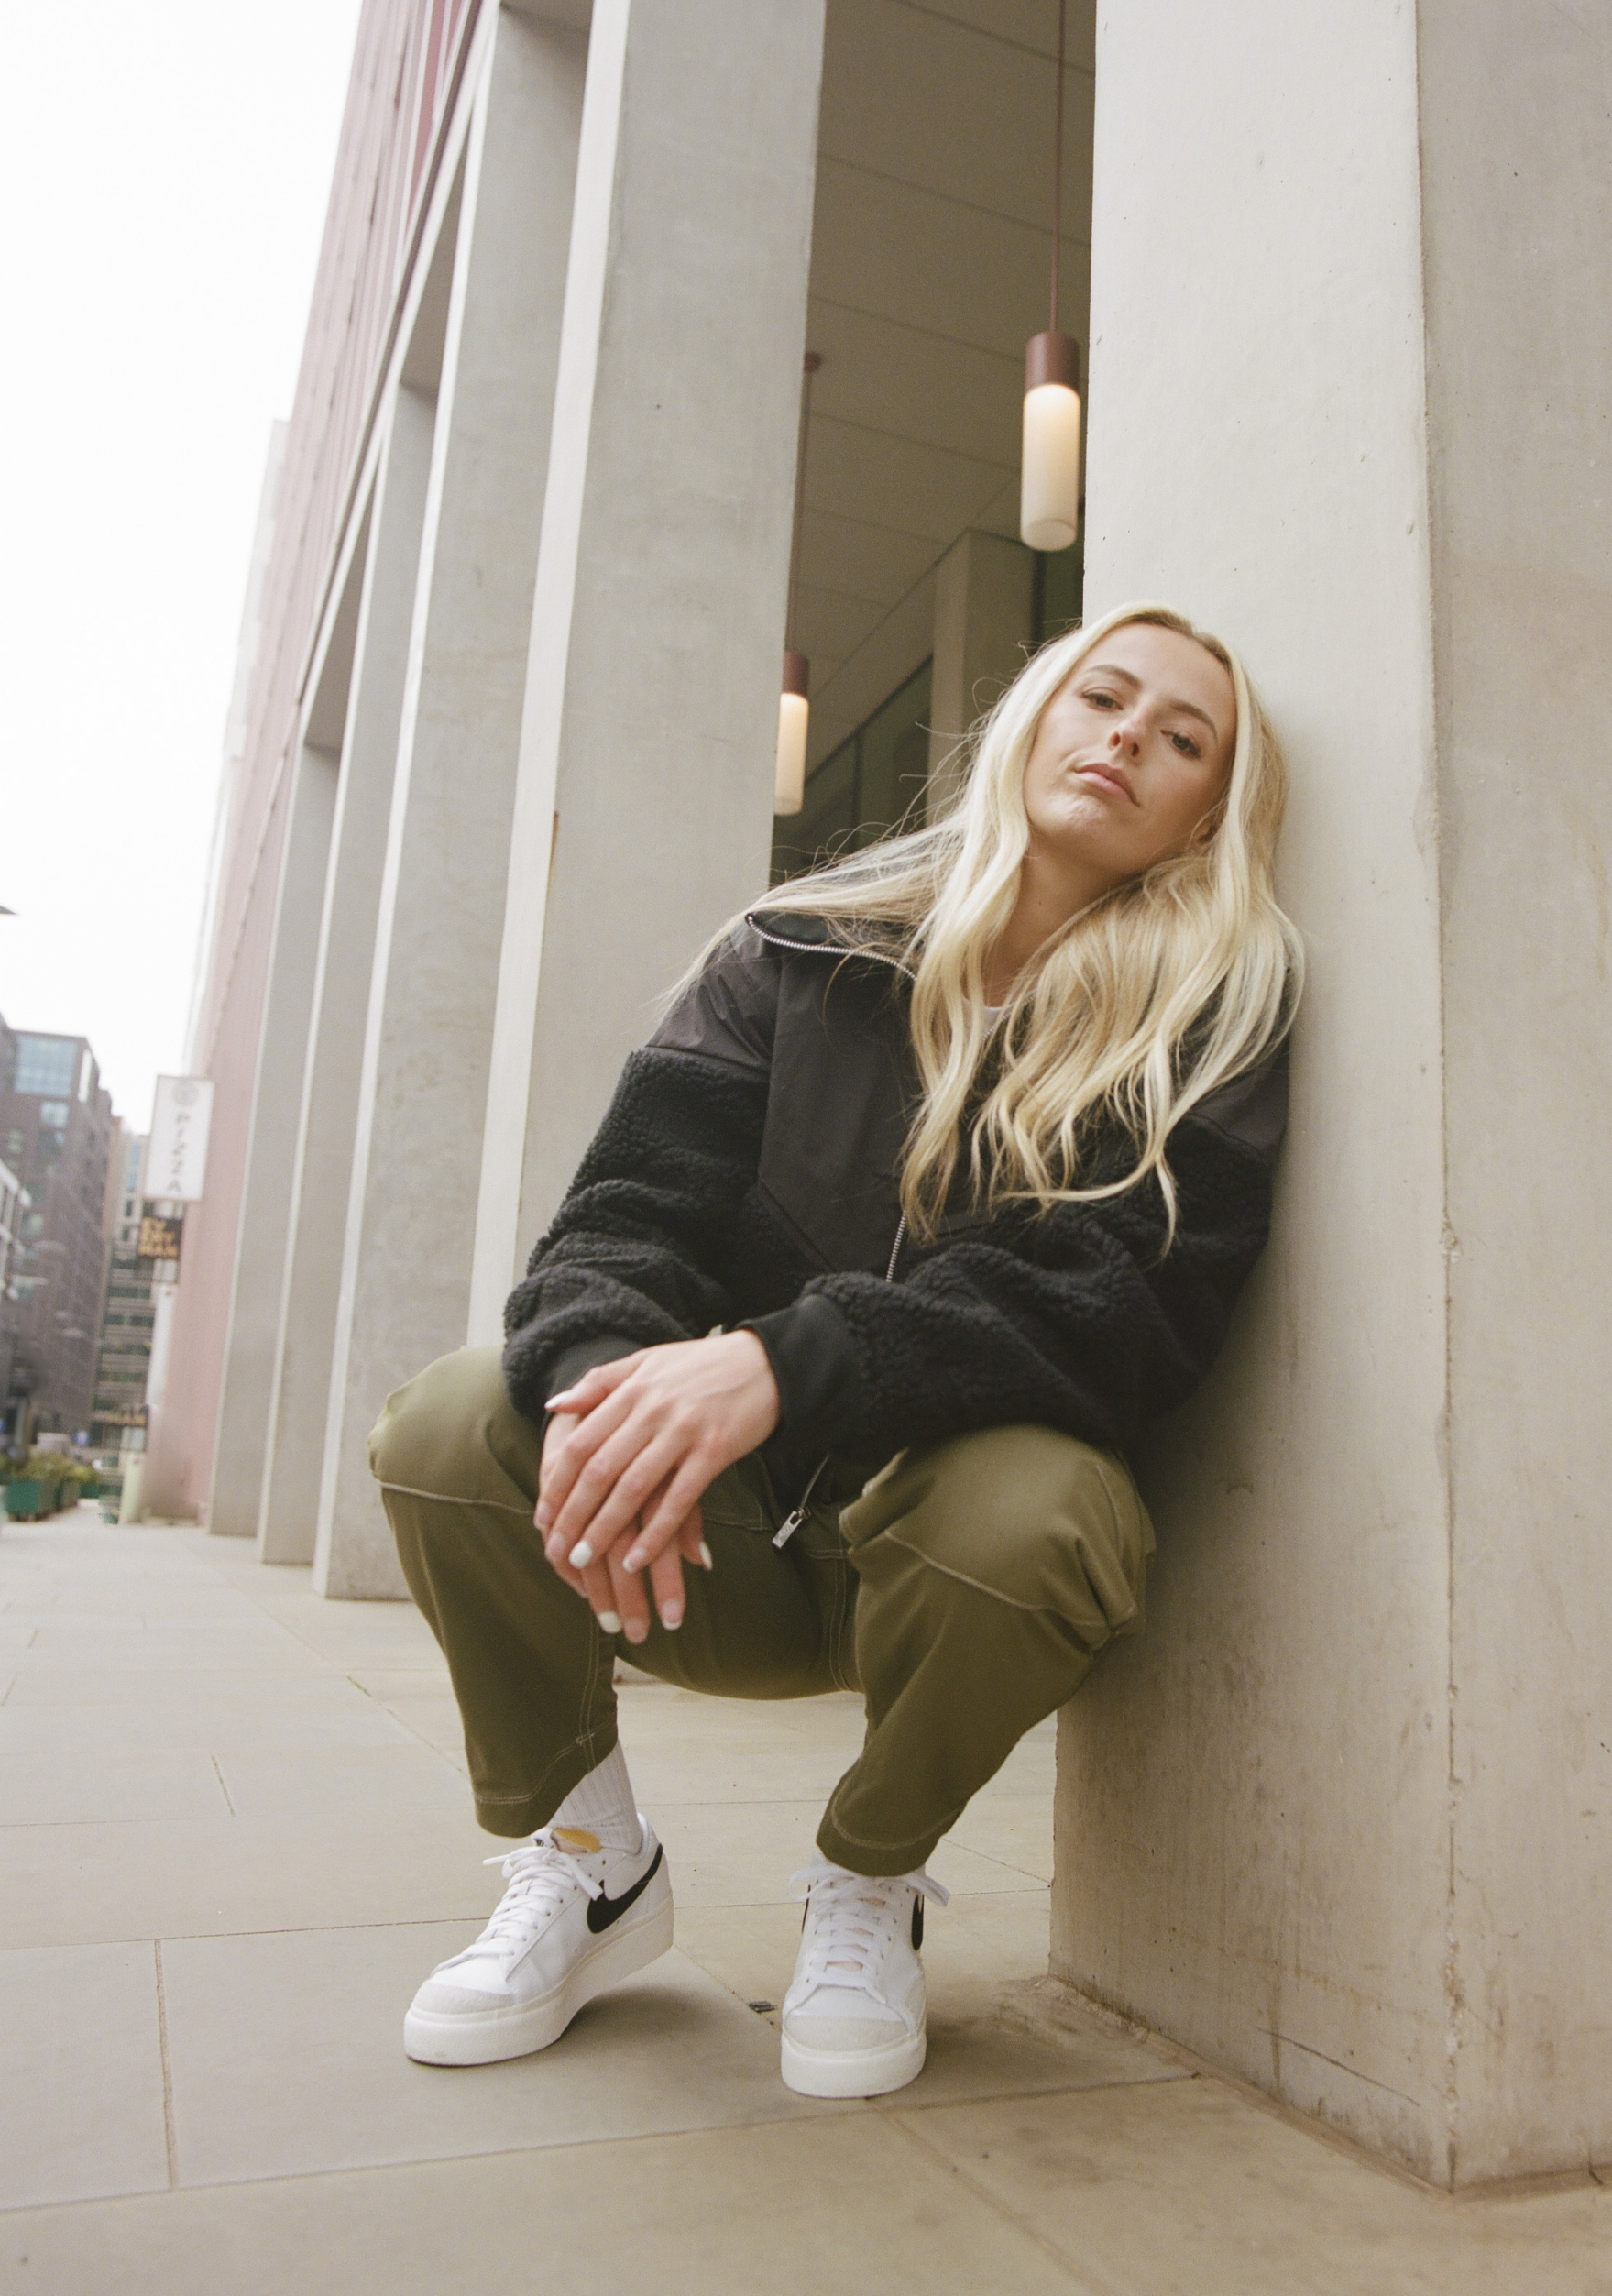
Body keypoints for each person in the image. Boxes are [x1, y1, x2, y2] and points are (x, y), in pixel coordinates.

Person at [369, 600, 1302, 2099]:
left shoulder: (1214, 1018)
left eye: (1183, 737)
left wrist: (786, 1361)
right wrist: (614, 1392)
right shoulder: (793, 950)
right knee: (457, 1419)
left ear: (1207, 816)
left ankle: (870, 1878)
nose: (1129, 735)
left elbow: (1125, 1307)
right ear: (1033, 722)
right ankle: (591, 1864)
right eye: (1102, 697)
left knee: (1043, 1514)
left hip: (945, 1578)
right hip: (701, 1548)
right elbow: (619, 1220)